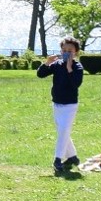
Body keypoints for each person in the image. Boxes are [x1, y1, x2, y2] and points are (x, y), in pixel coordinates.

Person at [38, 39, 85, 175]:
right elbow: (40, 74)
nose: (66, 54)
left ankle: (57, 159)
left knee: (64, 130)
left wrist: (70, 69)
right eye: (64, 51)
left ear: (76, 53)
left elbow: (76, 83)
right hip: (57, 103)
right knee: (63, 131)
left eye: (70, 51)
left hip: (70, 105)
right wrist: (47, 63)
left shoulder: (77, 67)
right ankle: (72, 157)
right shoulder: (57, 65)